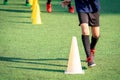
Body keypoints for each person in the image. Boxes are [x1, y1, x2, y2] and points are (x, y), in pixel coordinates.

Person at [62, 0, 100, 67]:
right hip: (81, 6)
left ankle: (92, 49)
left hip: (94, 7)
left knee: (96, 34)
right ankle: (89, 57)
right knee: (85, 30)